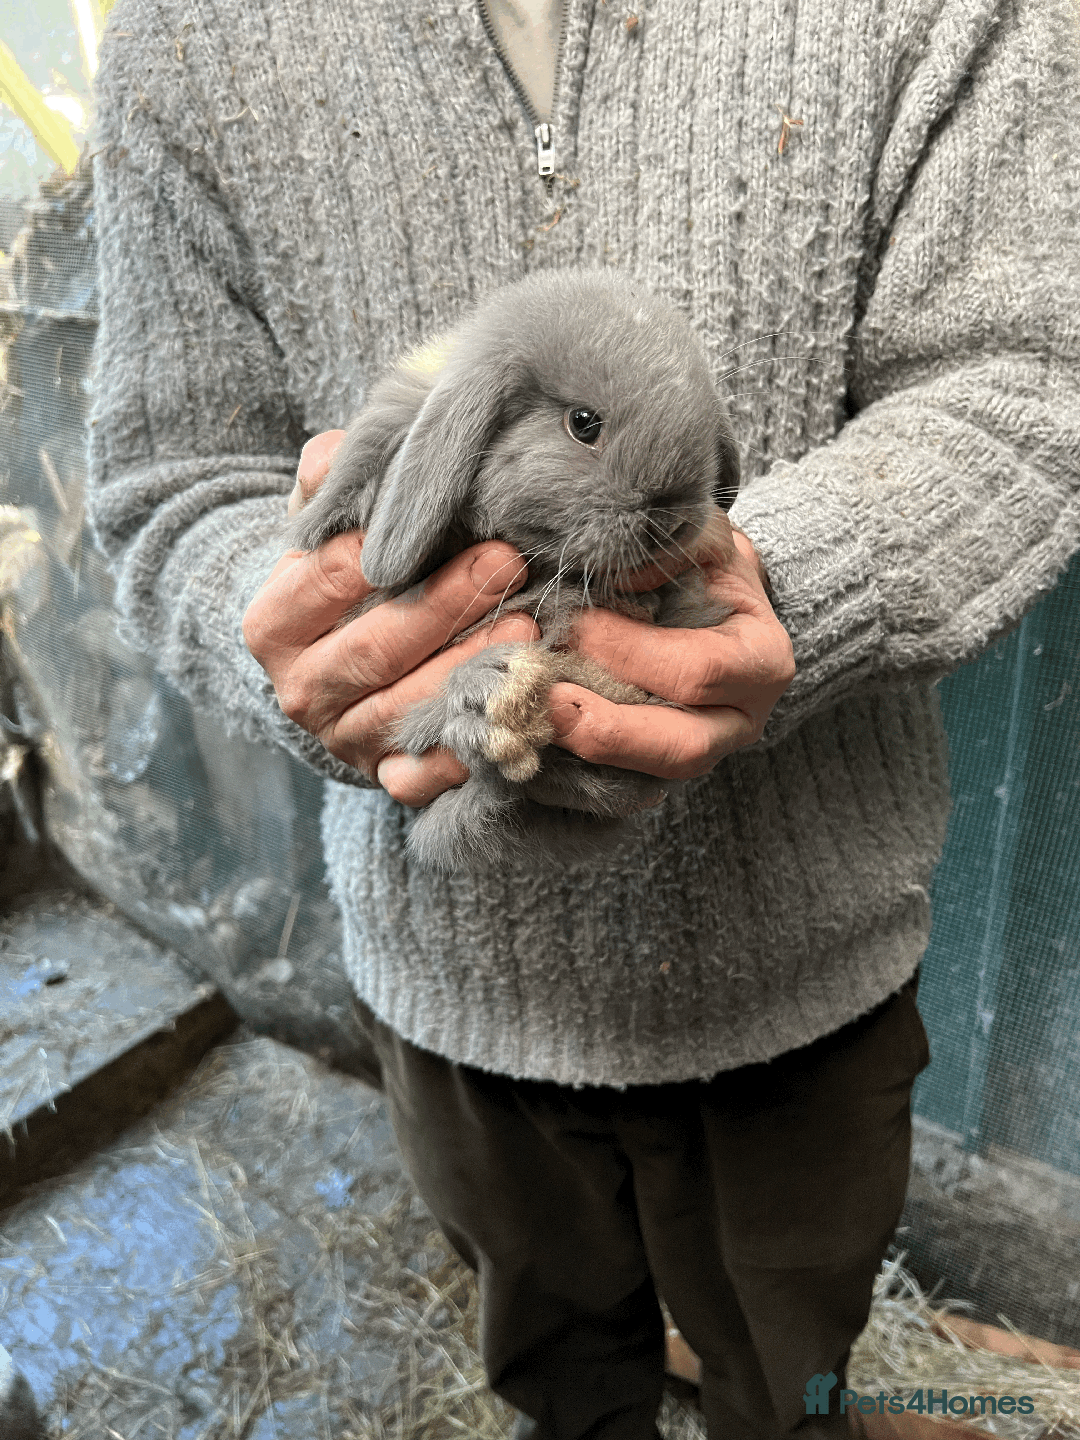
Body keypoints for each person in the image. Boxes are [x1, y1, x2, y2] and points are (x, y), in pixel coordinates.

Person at [87, 0, 1080, 1435]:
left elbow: (1027, 377)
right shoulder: (185, 41)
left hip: (805, 970)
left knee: (793, 1356)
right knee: (548, 1347)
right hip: (450, 966)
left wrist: (779, 587)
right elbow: (174, 475)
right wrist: (332, 639)